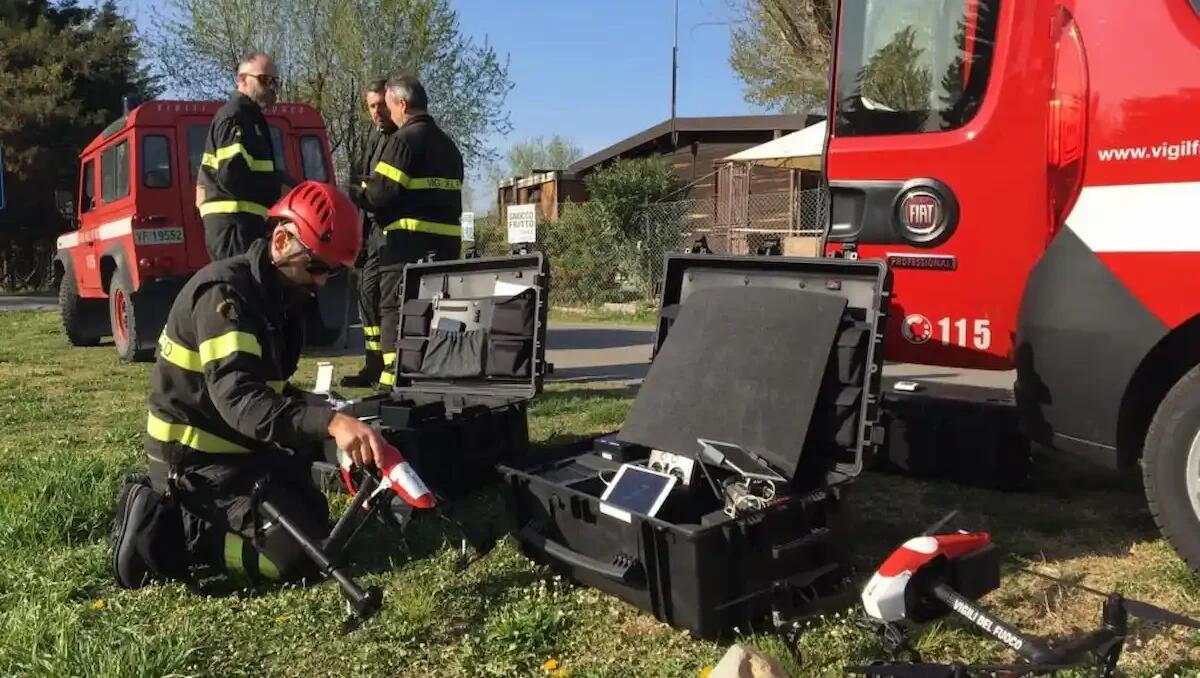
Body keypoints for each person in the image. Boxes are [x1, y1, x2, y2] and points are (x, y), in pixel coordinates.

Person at [111, 181, 386, 590]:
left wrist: (322, 406)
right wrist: (328, 423)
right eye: (316, 266)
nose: (323, 282)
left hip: (239, 449)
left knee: (316, 517)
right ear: (280, 240)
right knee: (298, 558)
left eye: (334, 271)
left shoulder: (277, 299)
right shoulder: (226, 298)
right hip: (194, 464)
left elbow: (266, 387)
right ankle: (188, 534)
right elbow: (242, 400)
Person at [356, 75, 464, 389]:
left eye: (389, 107)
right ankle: (429, 374)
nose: (387, 115)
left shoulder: (402, 141)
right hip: (445, 248)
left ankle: (393, 381)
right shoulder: (448, 145)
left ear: (402, 105)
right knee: (433, 310)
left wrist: (356, 191)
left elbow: (380, 196)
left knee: (394, 309)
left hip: (404, 248)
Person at [197, 52, 296, 261]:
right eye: (264, 80)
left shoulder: (251, 118)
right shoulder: (235, 117)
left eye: (275, 82)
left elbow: (258, 170)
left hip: (246, 224)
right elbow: (232, 177)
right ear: (242, 80)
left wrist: (294, 187)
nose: (271, 87)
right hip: (234, 227)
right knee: (242, 288)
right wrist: (277, 188)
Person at [342, 80, 398, 388]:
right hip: (370, 231)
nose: (377, 111)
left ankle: (389, 368)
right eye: (372, 106)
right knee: (366, 295)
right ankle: (372, 364)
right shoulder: (373, 137)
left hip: (389, 234)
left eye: (381, 105)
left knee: (383, 300)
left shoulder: (398, 139)